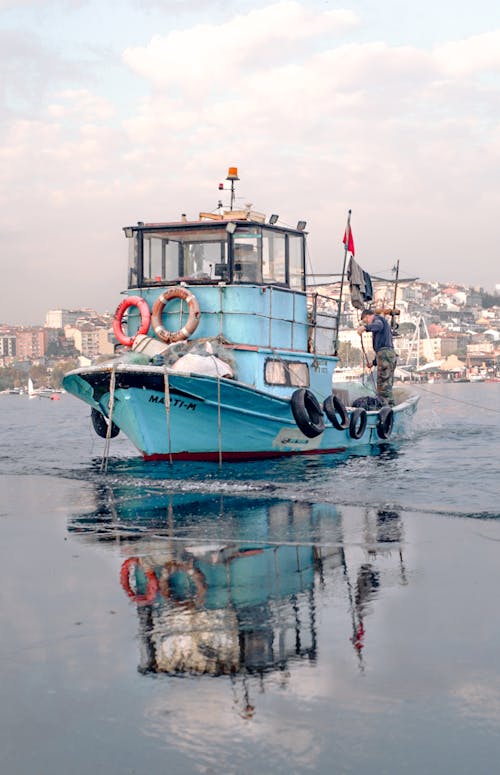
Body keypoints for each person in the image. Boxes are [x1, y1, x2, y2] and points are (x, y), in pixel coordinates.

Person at [357, 308, 397, 405]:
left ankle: (386, 407)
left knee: (383, 383)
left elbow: (378, 326)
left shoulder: (377, 319)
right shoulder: (380, 322)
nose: (366, 323)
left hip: (385, 354)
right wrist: (374, 362)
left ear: (367, 316)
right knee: (387, 382)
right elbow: (382, 347)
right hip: (387, 354)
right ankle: (390, 404)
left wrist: (365, 328)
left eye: (365, 321)